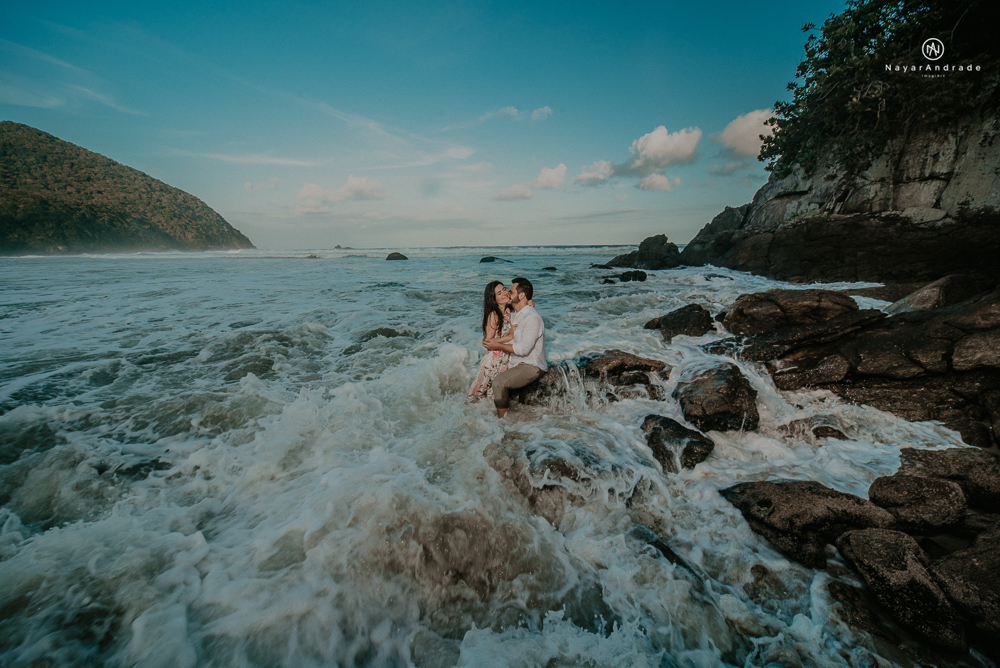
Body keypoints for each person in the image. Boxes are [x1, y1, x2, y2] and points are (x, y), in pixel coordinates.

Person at [483, 277, 546, 418]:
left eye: (510, 291)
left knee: (499, 383)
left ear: (521, 295)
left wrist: (498, 344)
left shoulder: (532, 318)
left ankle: (503, 422)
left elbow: (524, 350)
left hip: (531, 365)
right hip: (514, 362)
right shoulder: (513, 313)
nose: (507, 294)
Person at [467, 280, 516, 398]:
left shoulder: (509, 310)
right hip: (492, 361)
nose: (504, 293)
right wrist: (509, 336)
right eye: (499, 293)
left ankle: (488, 417)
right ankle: (463, 415)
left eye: (504, 289)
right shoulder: (493, 315)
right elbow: (487, 343)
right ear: (494, 300)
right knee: (475, 394)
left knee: (493, 396)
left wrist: (531, 302)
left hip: (505, 361)